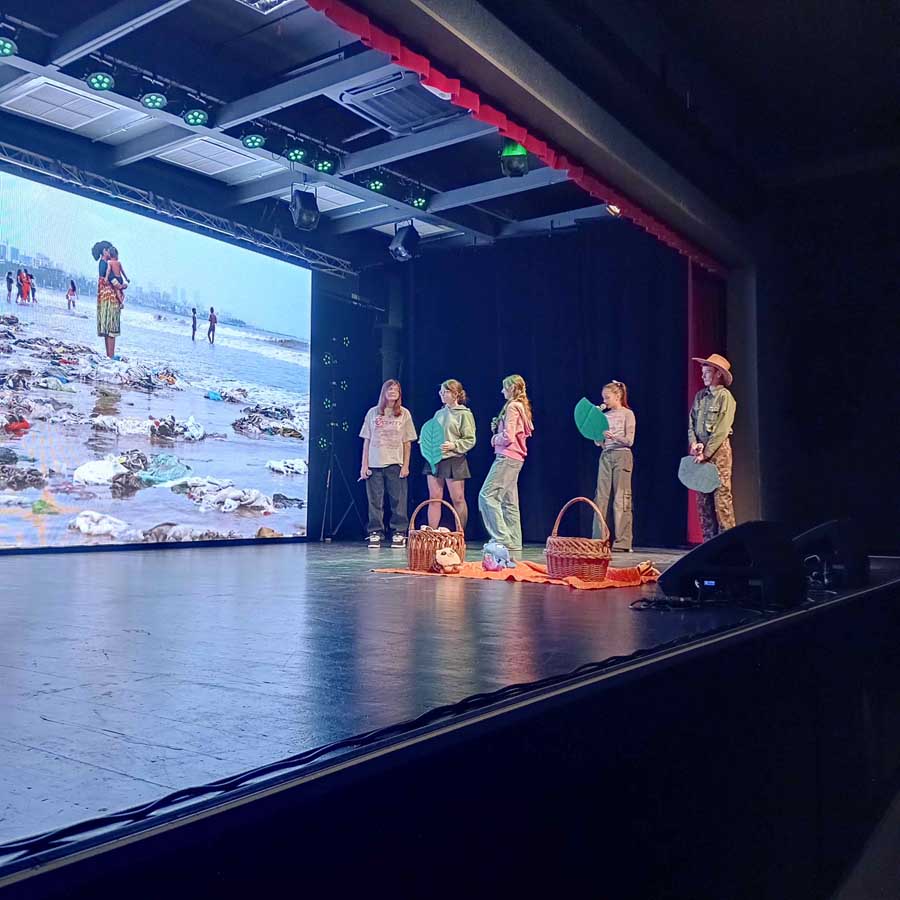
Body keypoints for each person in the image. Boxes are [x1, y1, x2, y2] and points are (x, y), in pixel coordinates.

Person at [478, 374, 533, 558]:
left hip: (507, 457)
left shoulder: (512, 407)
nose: (502, 391)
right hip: (516, 458)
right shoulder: (522, 407)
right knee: (509, 502)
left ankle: (501, 538)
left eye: (504, 388)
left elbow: (508, 436)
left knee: (487, 496)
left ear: (512, 388)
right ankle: (514, 541)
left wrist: (495, 438)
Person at [359, 380, 418, 549]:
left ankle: (399, 532)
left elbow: (407, 442)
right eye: (389, 389)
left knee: (398, 500)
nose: (392, 392)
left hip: (395, 463)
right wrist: (364, 465)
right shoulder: (373, 413)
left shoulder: (404, 413)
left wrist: (406, 465)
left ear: (399, 394)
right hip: (374, 463)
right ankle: (375, 532)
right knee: (375, 501)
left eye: (396, 390)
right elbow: (366, 440)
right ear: (383, 392)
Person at [688, 353, 737, 541]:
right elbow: (692, 423)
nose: (703, 376)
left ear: (718, 374)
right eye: (703, 372)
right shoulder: (700, 396)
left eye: (707, 372)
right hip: (701, 453)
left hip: (718, 452)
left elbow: (722, 429)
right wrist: (694, 444)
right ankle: (708, 542)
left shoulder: (725, 397)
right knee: (703, 499)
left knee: (721, 498)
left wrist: (707, 453)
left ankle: (728, 543)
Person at [424, 379, 476, 531]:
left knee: (458, 498)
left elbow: (470, 439)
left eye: (445, 392)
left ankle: (460, 533)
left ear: (455, 394)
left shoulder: (464, 414)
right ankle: (432, 533)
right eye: (441, 392)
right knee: (434, 498)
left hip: (454, 459)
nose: (441, 394)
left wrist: (454, 445)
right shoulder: (439, 413)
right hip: (436, 459)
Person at [591, 380, 636, 551]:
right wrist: (595, 428)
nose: (605, 401)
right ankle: (598, 540)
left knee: (621, 498)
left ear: (618, 396)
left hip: (622, 455)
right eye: (603, 398)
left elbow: (629, 440)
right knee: (600, 497)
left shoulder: (627, 414)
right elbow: (599, 442)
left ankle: (623, 542)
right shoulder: (605, 416)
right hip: (606, 455)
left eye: (607, 397)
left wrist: (614, 437)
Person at [93, 241, 120, 358]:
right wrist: (121, 286)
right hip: (110, 298)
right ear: (104, 251)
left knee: (107, 328)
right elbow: (113, 279)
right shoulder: (106, 264)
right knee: (112, 328)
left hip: (103, 297)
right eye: (110, 250)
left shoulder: (102, 264)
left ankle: (109, 356)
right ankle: (111, 356)